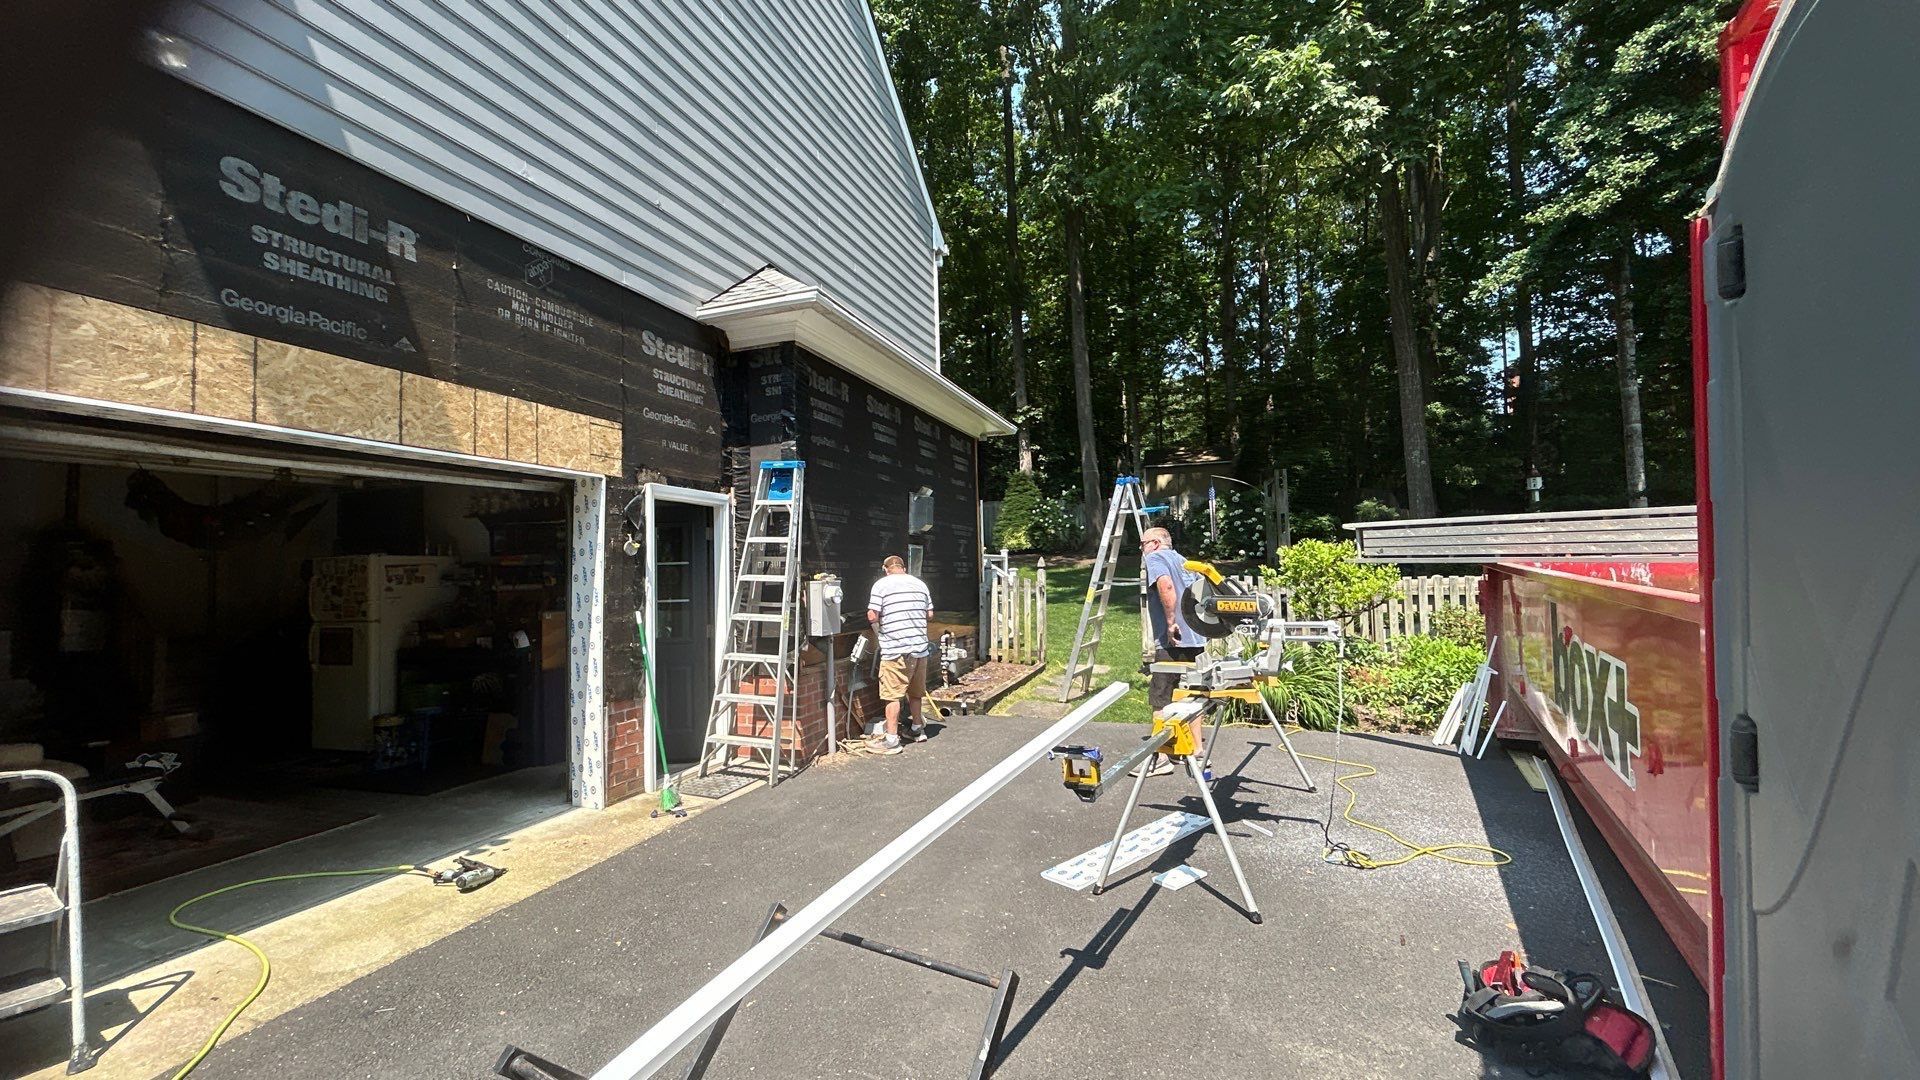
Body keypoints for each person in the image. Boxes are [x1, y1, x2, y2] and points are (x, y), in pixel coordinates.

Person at [1139, 526, 1206, 777]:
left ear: (1155, 543)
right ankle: (1196, 752)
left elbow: (1166, 587)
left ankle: (1162, 757)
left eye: (1143, 544)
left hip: (1173, 641)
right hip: (1196, 637)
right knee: (1192, 696)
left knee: (1162, 698)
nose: (1142, 550)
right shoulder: (1184, 561)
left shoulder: (1156, 558)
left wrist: (1170, 623)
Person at [865, 554, 932, 754]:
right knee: (915, 692)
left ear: (886, 569)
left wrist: (881, 628)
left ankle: (892, 740)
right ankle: (917, 729)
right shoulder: (920, 585)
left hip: (895, 650)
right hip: (919, 648)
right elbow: (929, 614)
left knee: (892, 694)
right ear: (903, 567)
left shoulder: (881, 585)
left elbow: (872, 615)